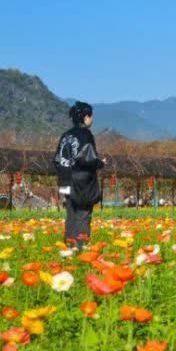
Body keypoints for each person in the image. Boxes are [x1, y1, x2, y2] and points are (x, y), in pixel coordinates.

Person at [53, 101, 106, 250]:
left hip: (65, 180)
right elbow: (88, 159)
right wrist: (100, 163)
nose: (92, 119)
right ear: (86, 117)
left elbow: (57, 159)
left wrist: (64, 174)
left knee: (71, 213)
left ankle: (69, 245)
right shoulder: (86, 135)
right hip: (81, 182)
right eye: (91, 116)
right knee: (83, 213)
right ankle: (80, 247)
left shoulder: (65, 136)